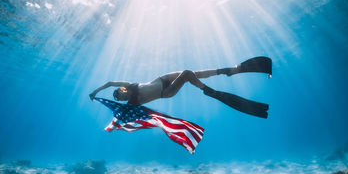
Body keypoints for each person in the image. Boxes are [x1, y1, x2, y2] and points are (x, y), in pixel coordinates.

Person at [90, 57, 272, 118]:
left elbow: (110, 83)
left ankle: (228, 71)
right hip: (165, 92)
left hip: (161, 79)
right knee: (187, 73)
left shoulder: (129, 86)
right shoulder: (132, 101)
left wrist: (95, 92)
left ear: (122, 90)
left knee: (195, 72)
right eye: (118, 99)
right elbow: (126, 115)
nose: (120, 98)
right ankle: (208, 90)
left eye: (119, 95)